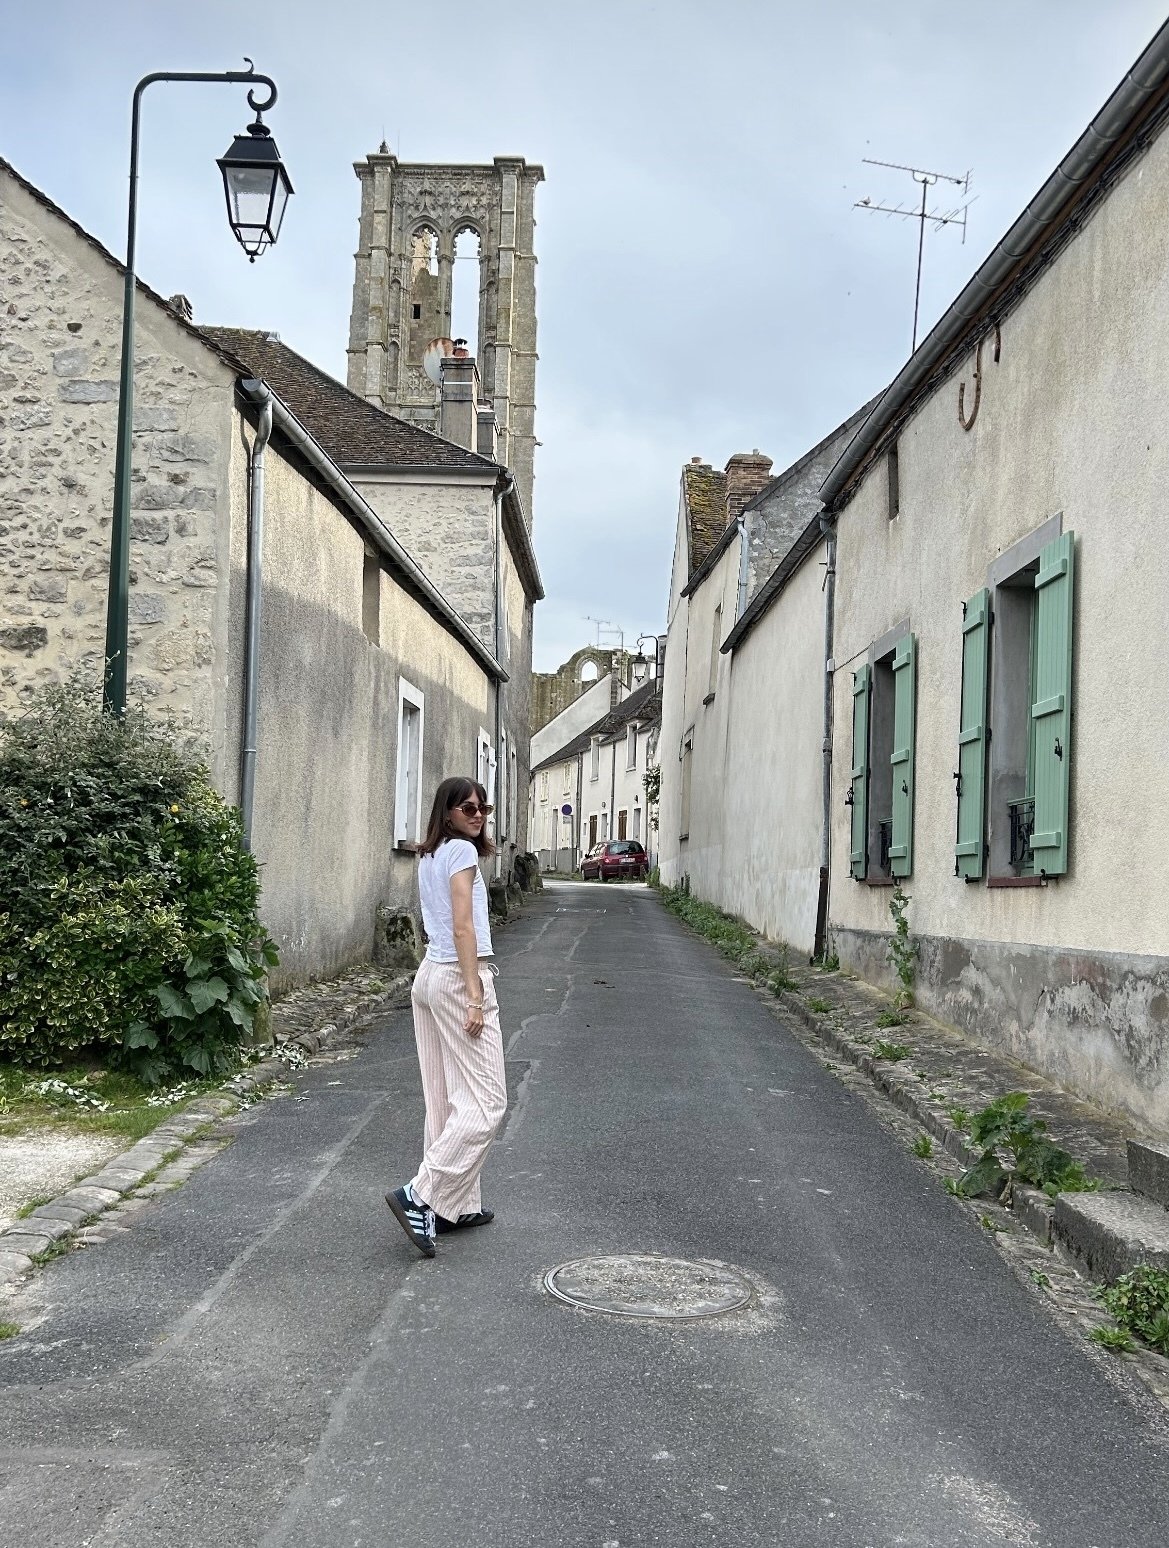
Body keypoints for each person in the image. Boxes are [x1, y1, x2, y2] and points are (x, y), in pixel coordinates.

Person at [386, 776, 507, 1258]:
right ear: (448, 813)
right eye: (467, 808)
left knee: (445, 1099)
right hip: (459, 978)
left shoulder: (429, 854)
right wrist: (476, 995)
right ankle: (421, 1195)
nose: (477, 815)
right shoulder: (460, 853)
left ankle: (454, 1206)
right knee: (486, 1103)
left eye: (483, 807)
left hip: (430, 977)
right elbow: (462, 925)